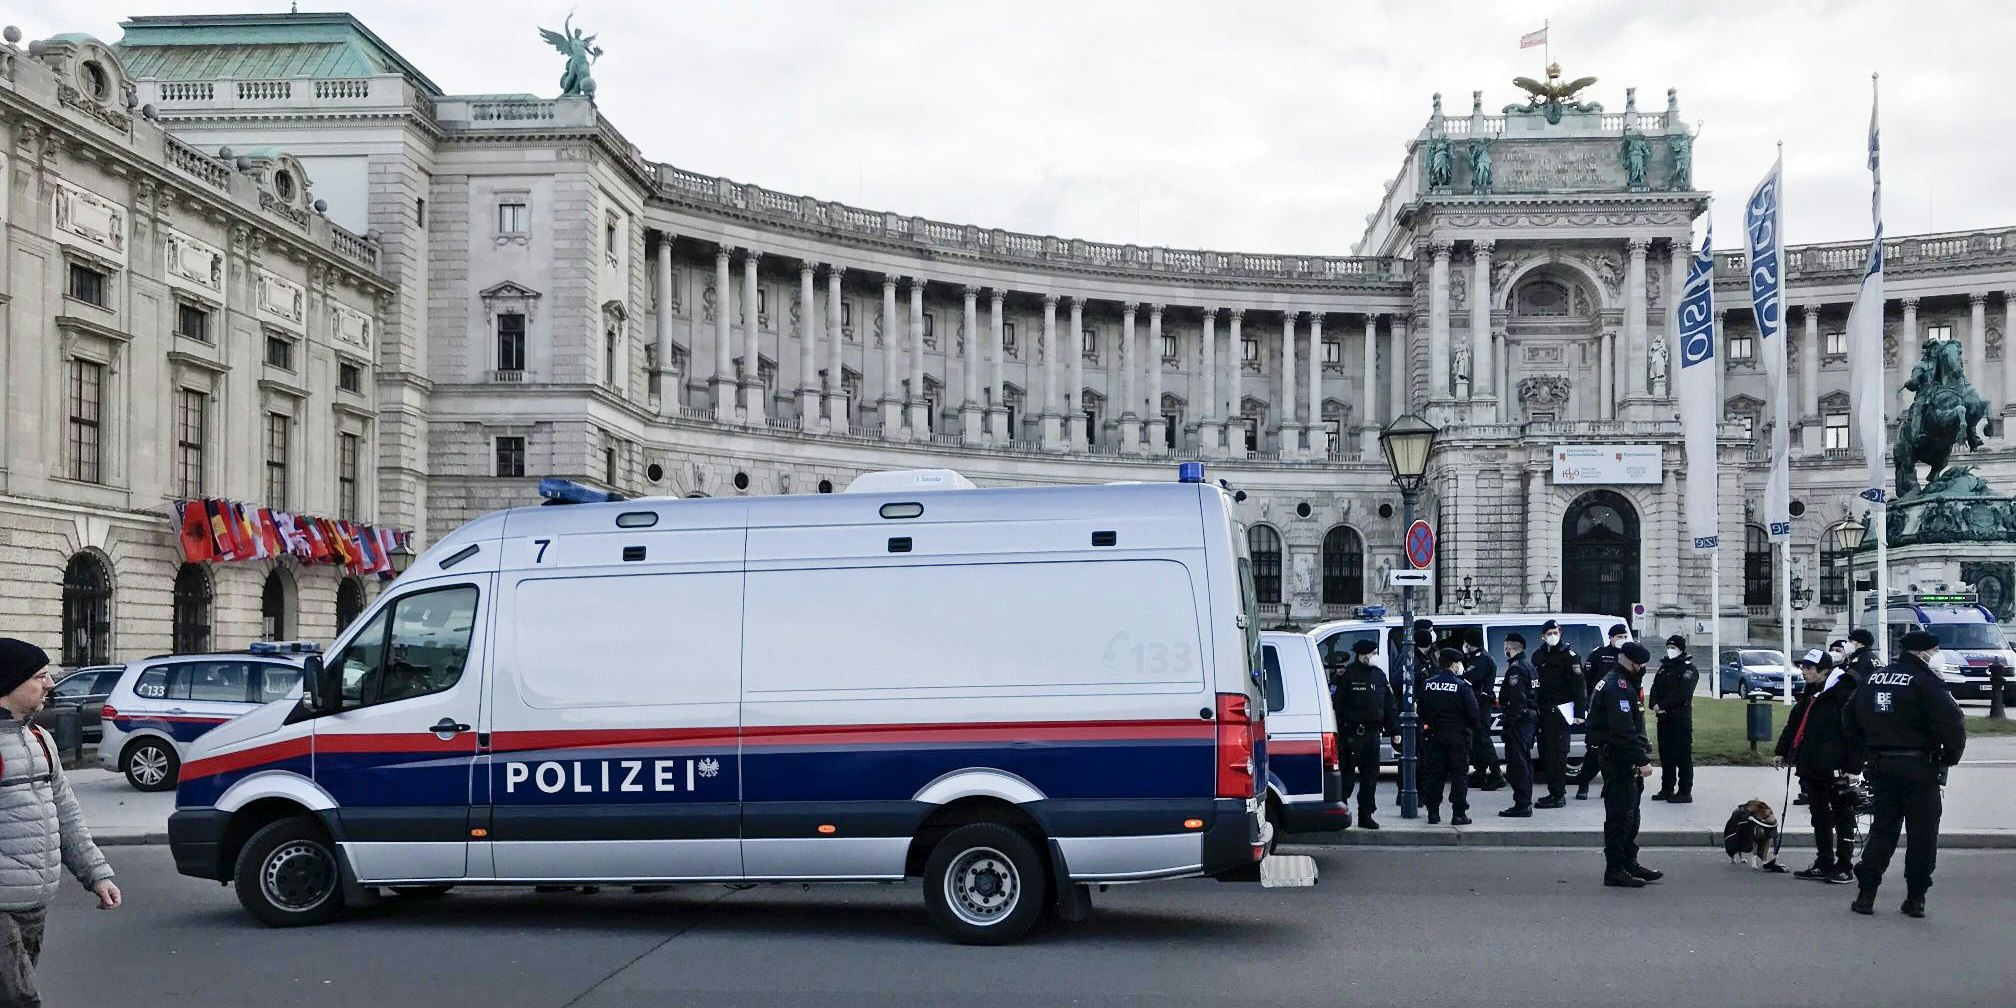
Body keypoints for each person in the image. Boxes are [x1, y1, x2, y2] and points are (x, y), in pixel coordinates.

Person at [0, 638, 121, 1005]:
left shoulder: (40, 739)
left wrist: (96, 874)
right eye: (40, 676)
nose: (50, 683)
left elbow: (65, 814)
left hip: (34, 901)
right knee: (22, 1000)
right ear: (8, 684)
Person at [1845, 630, 1967, 918]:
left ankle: (1866, 894)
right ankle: (1916, 897)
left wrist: (1864, 750)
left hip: (1881, 765)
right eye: (1934, 650)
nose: (1935, 655)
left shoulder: (1874, 678)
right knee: (1922, 834)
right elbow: (1952, 723)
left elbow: (1849, 717)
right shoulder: (1926, 682)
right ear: (1924, 651)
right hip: (1919, 767)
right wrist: (1949, 757)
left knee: (1883, 830)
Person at [1774, 649, 1861, 884]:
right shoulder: (1812, 691)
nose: (1803, 671)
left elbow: (1856, 732)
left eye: (1808, 668)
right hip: (1813, 763)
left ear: (1824, 670)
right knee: (1819, 816)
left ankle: (1845, 865)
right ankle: (1824, 861)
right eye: (1803, 667)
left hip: (1837, 765)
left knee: (1843, 816)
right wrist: (1782, 751)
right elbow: (1796, 721)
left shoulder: (1846, 692)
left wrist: (1853, 767)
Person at [1584, 640, 1659, 887]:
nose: (1643, 669)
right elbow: (1623, 731)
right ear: (1630, 661)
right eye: (1641, 665)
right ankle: (1615, 868)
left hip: (1623, 758)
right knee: (1620, 816)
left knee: (1631, 814)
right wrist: (1642, 760)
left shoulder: (1621, 682)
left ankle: (1629, 862)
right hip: (1618, 759)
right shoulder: (1617, 686)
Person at [1327, 640, 1398, 830]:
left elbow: (1389, 704)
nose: (1375, 656)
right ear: (1362, 654)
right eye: (1372, 652)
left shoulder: (1379, 675)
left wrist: (1395, 730)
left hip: (1373, 733)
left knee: (1370, 777)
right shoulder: (1345, 675)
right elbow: (1335, 706)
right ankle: (1340, 812)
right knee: (1347, 777)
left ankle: (1366, 815)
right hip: (1351, 734)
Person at [1417, 648, 1483, 826]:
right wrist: (1472, 729)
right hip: (1457, 737)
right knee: (1459, 775)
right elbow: (1474, 714)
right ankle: (1459, 813)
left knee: (1434, 774)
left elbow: (1421, 710)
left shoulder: (1428, 684)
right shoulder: (1462, 686)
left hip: (1435, 736)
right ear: (1454, 664)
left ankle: (1433, 813)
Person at [1574, 623, 1631, 800]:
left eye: (1624, 636)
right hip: (1600, 711)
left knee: (1614, 751)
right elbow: (1588, 681)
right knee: (1595, 751)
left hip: (1620, 711)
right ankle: (1584, 782)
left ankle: (1609, 787)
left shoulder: (1628, 656)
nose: (1621, 640)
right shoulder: (1599, 655)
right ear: (1611, 638)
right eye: (1618, 637)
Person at [1533, 620, 1583, 809]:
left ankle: (1558, 795)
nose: (1553, 636)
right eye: (1549, 633)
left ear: (1560, 633)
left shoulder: (1569, 656)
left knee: (1558, 755)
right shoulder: (1539, 655)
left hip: (1561, 711)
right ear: (1543, 636)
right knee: (1545, 754)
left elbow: (1579, 686)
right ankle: (1552, 792)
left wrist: (1579, 712)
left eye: (1555, 632)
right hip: (1543, 711)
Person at [1649, 634, 1698, 803]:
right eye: (1669, 647)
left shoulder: (1688, 669)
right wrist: (1654, 704)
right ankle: (1667, 788)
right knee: (1666, 755)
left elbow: (1683, 693)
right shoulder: (1664, 668)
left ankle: (1685, 791)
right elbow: (1655, 687)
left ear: (1681, 649)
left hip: (1680, 718)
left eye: (1674, 648)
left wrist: (1662, 705)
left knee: (1682, 755)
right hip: (1664, 719)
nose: (1670, 650)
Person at [1496, 633, 1540, 817]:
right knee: (1524, 762)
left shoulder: (1516, 669)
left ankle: (1522, 804)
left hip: (1520, 722)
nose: (1505, 650)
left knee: (1517, 764)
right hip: (1528, 719)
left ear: (1510, 647)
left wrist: (1509, 723)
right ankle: (1523, 802)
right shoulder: (1529, 666)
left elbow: (1516, 701)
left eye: (1506, 646)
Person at [1461, 636, 1506, 792]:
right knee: (1477, 740)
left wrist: (1460, 673)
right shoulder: (1476, 657)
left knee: (1483, 739)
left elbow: (1470, 677)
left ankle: (1496, 774)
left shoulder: (1482, 658)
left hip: (1481, 704)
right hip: (1477, 703)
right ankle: (1480, 772)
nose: (1464, 645)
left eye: (1467, 643)